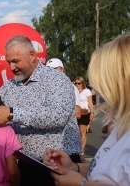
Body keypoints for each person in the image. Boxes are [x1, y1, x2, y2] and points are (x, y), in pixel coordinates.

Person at [0, 35, 82, 186]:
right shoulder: (10, 86)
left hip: (59, 164)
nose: (11, 67)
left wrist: (12, 113)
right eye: (9, 62)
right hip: (26, 164)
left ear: (32, 55)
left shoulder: (57, 80)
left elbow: (58, 115)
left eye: (15, 61)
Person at [43, 33, 130, 185]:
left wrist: (81, 184)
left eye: (105, 82)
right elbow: (110, 170)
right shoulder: (122, 126)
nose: (99, 90)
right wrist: (74, 167)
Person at [73, 76, 94, 154]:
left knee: (82, 133)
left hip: (84, 113)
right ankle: (76, 148)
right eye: (75, 83)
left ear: (82, 83)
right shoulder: (73, 90)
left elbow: (90, 102)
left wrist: (92, 113)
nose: (77, 85)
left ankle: (81, 150)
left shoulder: (86, 91)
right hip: (75, 113)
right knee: (75, 132)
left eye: (79, 83)